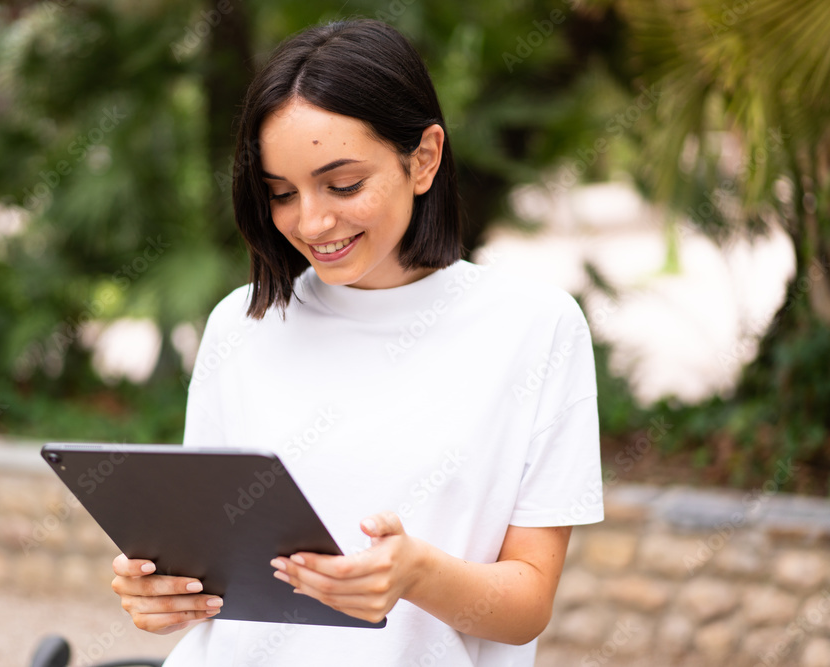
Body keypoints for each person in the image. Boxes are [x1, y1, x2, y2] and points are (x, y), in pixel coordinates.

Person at [111, 18, 602, 666]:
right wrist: (160, 594)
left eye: (343, 184)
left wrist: (417, 573)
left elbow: (528, 603)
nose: (312, 221)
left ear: (423, 158)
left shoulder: (535, 328)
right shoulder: (241, 324)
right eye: (281, 193)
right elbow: (214, 567)